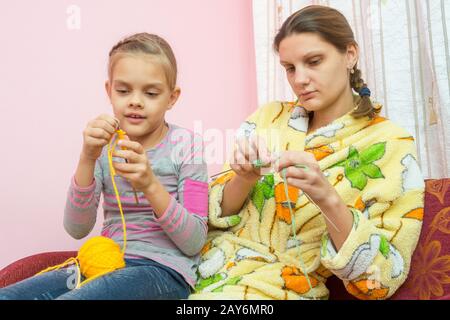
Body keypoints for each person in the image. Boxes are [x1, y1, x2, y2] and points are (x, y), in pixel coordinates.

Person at [189, 5, 424, 300]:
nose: (299, 79)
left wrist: (326, 197)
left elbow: (382, 277)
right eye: (290, 68)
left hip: (278, 290)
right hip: (198, 270)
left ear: (350, 54)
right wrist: (244, 179)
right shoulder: (268, 117)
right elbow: (206, 220)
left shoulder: (391, 143)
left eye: (314, 61)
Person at [0, 33, 208, 300]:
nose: (135, 100)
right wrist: (88, 156)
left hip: (160, 271)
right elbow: (77, 228)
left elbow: (194, 242)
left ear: (172, 97)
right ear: (109, 91)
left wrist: (150, 185)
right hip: (103, 262)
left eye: (151, 93)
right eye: (123, 91)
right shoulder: (103, 147)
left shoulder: (188, 146)